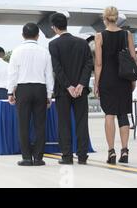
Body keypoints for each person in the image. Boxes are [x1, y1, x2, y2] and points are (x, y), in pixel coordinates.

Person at [48, 13, 94, 165]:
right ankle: (82, 156)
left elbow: (57, 68)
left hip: (63, 91)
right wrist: (81, 84)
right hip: (81, 90)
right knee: (82, 122)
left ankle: (67, 156)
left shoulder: (53, 45)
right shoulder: (82, 43)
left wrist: (68, 86)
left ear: (54, 28)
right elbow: (89, 64)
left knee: (64, 123)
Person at [94, 6, 137, 164]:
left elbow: (98, 63)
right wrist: (132, 81)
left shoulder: (99, 36)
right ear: (117, 17)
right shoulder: (127, 34)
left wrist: (97, 83)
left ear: (104, 18)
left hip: (107, 79)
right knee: (123, 114)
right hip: (124, 79)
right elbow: (132, 58)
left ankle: (111, 151)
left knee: (109, 115)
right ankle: (124, 151)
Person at [8, 23, 54, 166]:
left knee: (23, 124)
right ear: (38, 35)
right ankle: (39, 158)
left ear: (23, 35)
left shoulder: (17, 51)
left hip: (23, 89)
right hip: (40, 88)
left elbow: (12, 74)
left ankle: (26, 157)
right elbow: (49, 75)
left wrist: (10, 91)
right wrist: (49, 94)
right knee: (40, 125)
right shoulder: (44, 51)